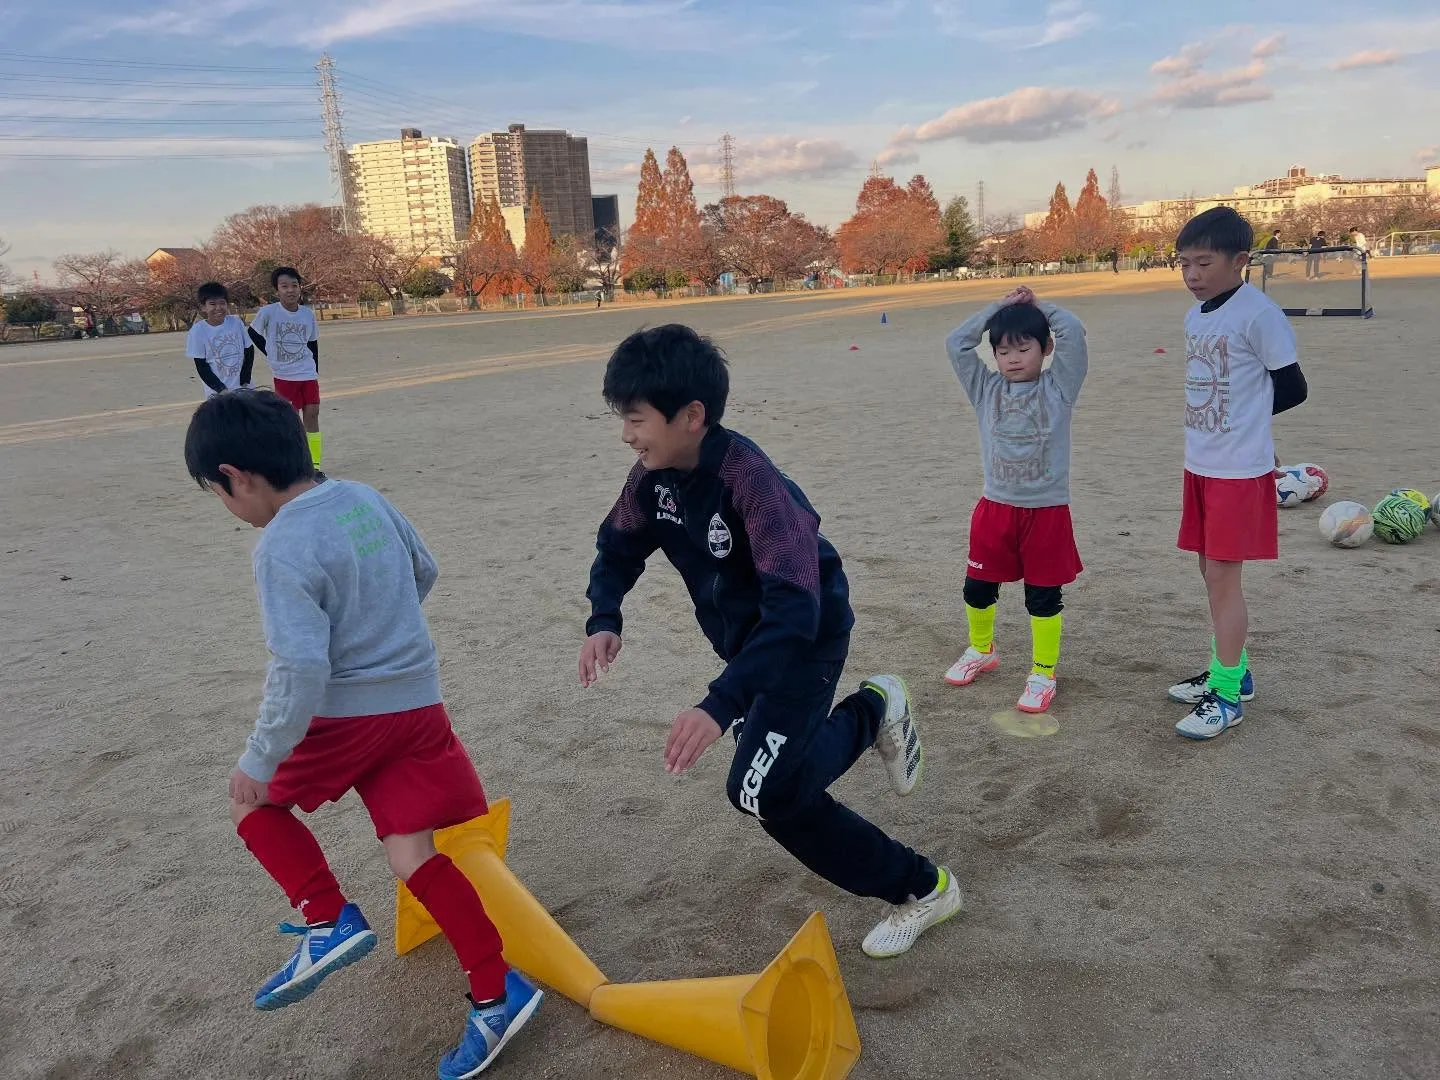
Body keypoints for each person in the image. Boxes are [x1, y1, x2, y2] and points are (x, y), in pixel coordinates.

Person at [183, 390, 541, 1078]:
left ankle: (327, 916)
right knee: (412, 855)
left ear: (238, 477)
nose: (230, 512)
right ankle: (498, 996)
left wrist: (261, 757)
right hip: (417, 703)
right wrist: (384, 632)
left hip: (350, 715)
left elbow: (300, 666)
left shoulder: (280, 543)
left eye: (220, 496)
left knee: (250, 803)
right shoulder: (363, 497)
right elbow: (424, 570)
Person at [579, 325, 960, 958]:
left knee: (763, 790)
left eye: (637, 418)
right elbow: (617, 545)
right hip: (750, 648)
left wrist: (719, 704)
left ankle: (923, 887)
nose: (627, 434)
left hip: (805, 637)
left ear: (692, 416)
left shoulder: (750, 482)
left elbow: (794, 610)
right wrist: (604, 618)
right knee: (775, 785)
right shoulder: (653, 479)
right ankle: (874, 710)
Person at [1168, 207, 1308, 740]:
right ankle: (1235, 670)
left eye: (1203, 263)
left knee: (1225, 580)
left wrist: (1250, 430)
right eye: (1184, 264)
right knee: (1208, 571)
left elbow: (1292, 387)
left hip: (1236, 473)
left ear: (1240, 261)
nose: (1192, 275)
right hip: (1200, 464)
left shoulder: (1259, 314)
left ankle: (1226, 696)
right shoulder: (1196, 315)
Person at [942, 287, 1088, 714]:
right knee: (977, 587)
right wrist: (997, 308)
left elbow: (1075, 333)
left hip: (1046, 511)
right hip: (996, 507)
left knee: (1042, 597)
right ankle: (981, 649)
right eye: (1003, 351)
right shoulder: (985, 389)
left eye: (1024, 348)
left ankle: (1043, 673)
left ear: (1045, 349)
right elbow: (957, 343)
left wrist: (1039, 305)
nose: (1012, 358)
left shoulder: (1059, 388)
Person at [249, 267, 323, 467]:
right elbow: (253, 333)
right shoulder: (268, 312)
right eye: (284, 286)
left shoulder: (307, 314)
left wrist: (314, 366)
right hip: (284, 374)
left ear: (300, 288)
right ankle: (295, 460)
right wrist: (270, 352)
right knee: (291, 418)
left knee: (313, 412)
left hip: (306, 372)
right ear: (277, 291)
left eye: (294, 285)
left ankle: (314, 463)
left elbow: (312, 342)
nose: (290, 290)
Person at [187, 282, 252, 397]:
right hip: (218, 393)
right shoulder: (198, 331)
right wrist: (221, 389)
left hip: (243, 388)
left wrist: (245, 380)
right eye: (212, 304)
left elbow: (249, 350)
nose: (218, 308)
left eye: (222, 303)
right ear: (203, 307)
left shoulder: (236, 323)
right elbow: (202, 366)